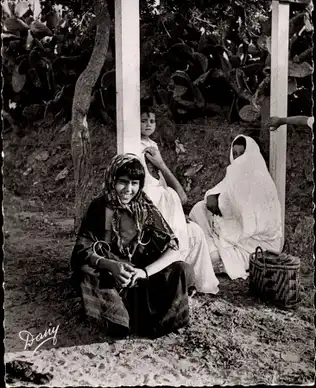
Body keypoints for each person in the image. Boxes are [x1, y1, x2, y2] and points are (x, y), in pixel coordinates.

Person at [71, 153, 189, 339]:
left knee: (180, 269)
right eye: (123, 182)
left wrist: (144, 272)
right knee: (87, 271)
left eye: (135, 183)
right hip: (110, 275)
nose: (128, 189)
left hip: (139, 277)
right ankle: (116, 320)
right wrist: (111, 265)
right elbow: (82, 248)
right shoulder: (99, 207)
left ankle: (156, 323)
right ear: (112, 180)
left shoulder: (145, 208)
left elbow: (173, 247)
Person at [140, 105, 219, 295]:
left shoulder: (153, 147)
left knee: (196, 232)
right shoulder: (136, 149)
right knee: (179, 237)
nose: (148, 124)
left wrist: (178, 213)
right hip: (152, 217)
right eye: (143, 121)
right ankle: (177, 281)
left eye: (152, 121)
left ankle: (195, 282)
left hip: (166, 208)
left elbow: (170, 191)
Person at [189, 135, 283, 281]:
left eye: (242, 154)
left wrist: (220, 205)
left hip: (253, 242)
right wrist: (211, 197)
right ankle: (212, 251)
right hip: (231, 231)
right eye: (235, 154)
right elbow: (217, 193)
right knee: (198, 208)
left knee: (211, 257)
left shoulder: (260, 180)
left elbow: (250, 223)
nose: (238, 158)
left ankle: (214, 255)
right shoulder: (234, 174)